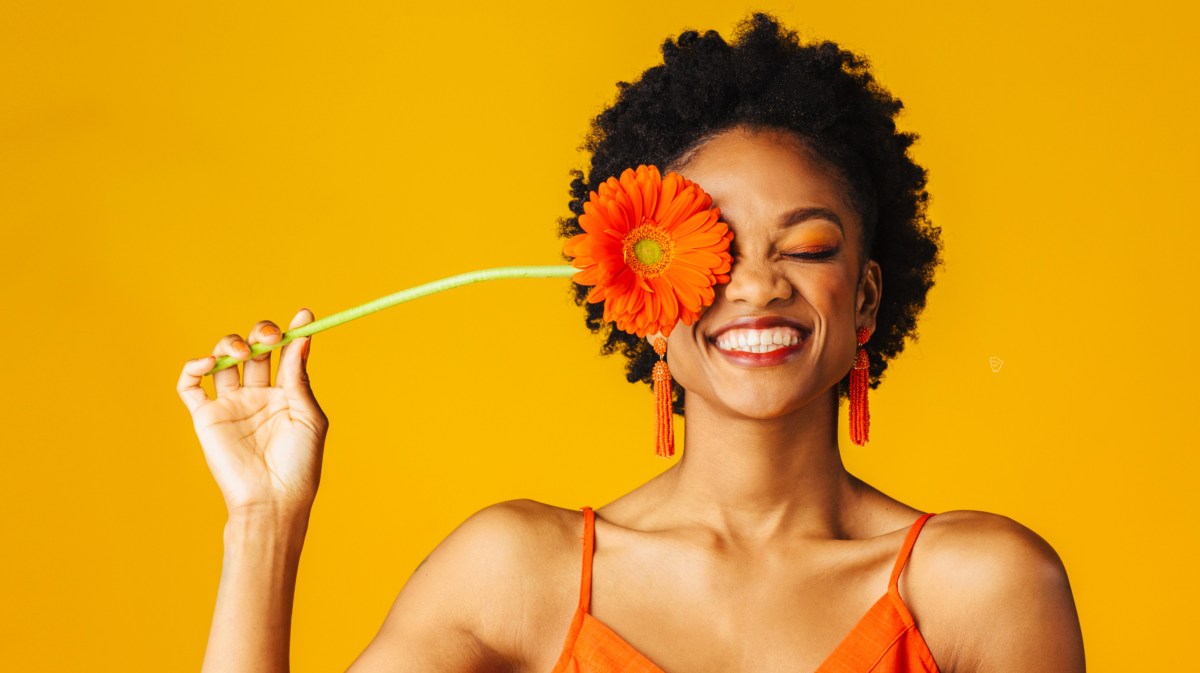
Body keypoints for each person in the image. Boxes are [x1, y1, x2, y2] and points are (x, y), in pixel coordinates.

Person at [177, 13, 1085, 673]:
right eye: (713, 249)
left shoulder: (981, 588)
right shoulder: (516, 575)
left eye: (806, 247)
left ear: (868, 299)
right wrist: (264, 519)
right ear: (639, 295)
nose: (759, 282)